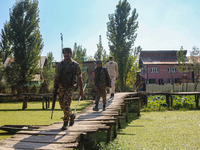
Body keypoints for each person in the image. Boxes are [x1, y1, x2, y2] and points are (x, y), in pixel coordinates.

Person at [53, 47, 83, 130]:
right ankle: (71, 115)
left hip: (70, 87)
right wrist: (54, 88)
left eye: (68, 53)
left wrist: (81, 90)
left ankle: (65, 123)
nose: (66, 55)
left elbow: (80, 78)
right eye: (65, 53)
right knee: (62, 105)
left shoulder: (75, 65)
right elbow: (56, 77)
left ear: (71, 54)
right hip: (61, 87)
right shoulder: (59, 65)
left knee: (66, 104)